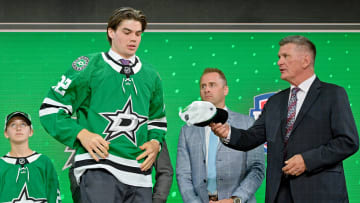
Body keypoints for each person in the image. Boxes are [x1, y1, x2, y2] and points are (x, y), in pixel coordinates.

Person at [39, 7, 167, 202]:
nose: (133, 38)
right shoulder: (89, 65)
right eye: (127, 32)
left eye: (138, 34)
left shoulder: (151, 74)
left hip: (140, 175)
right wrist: (82, 134)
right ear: (111, 32)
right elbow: (50, 110)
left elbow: (157, 121)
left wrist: (155, 142)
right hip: (98, 168)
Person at [211, 35, 359, 203]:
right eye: (279, 57)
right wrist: (227, 132)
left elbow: (348, 141)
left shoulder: (333, 94)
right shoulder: (275, 102)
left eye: (285, 56)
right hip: (279, 194)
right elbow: (251, 138)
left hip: (321, 193)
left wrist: (307, 160)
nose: (279, 62)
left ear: (305, 60)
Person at [176, 68, 265, 203]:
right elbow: (183, 174)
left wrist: (235, 199)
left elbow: (257, 169)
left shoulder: (247, 123)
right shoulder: (187, 130)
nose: (207, 90)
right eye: (203, 86)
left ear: (225, 90)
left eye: (212, 85)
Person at [68, 141, 173, 203]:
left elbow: (165, 171)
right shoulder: (98, 127)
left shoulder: (151, 133)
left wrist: (157, 201)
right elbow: (76, 168)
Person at [0, 111, 61, 203]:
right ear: (6, 133)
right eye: (13, 125)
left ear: (31, 131)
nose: (18, 128)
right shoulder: (1, 165)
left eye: (23, 124)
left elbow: (54, 194)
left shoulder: (44, 162)